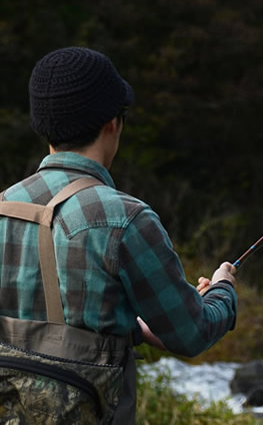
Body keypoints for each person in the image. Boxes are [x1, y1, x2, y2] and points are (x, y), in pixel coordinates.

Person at [0, 46, 238, 423]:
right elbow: (192, 335)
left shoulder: (2, 207)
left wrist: (134, 328)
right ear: (113, 122)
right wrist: (223, 291)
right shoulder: (126, 219)